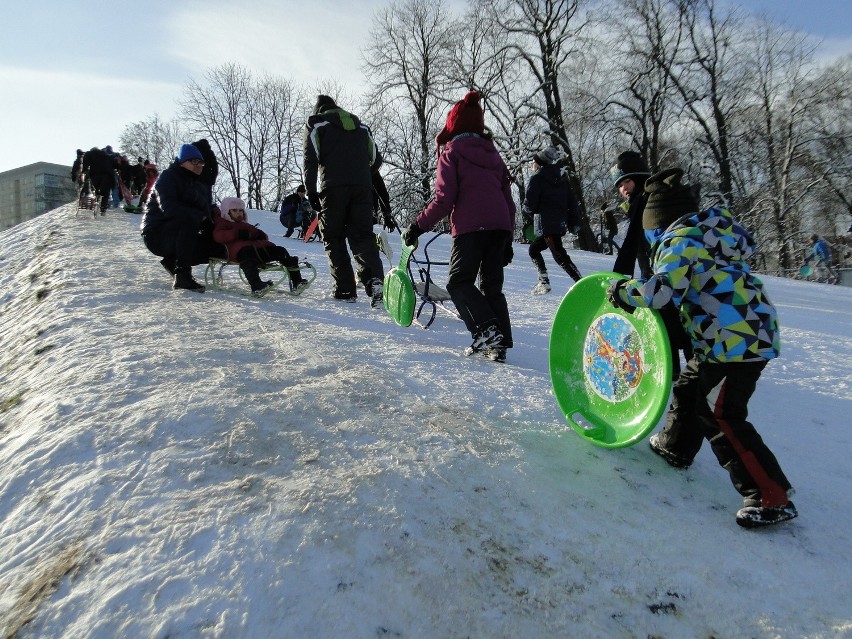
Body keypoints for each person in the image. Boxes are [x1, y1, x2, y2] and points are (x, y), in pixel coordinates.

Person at [607, 168, 797, 529]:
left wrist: (623, 291)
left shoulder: (679, 241)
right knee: (691, 383)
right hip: (736, 334)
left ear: (656, 223)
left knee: (721, 413)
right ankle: (676, 446)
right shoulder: (709, 236)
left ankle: (770, 494)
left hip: (735, 341)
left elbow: (660, 292)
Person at [402, 90, 515, 363]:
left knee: (458, 281)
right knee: (491, 286)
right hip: (499, 227)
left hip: (471, 227)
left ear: (453, 125)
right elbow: (508, 200)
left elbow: (444, 199)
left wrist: (417, 225)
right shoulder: (494, 156)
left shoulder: (452, 152)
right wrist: (508, 239)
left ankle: (487, 331)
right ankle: (498, 342)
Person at [610, 149, 692, 379]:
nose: (622, 189)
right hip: (661, 265)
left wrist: (619, 277)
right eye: (619, 185)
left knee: (667, 312)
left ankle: (672, 370)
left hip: (660, 265)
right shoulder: (644, 199)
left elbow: (631, 242)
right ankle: (686, 365)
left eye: (625, 181)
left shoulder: (645, 200)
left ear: (637, 178)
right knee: (677, 312)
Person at [303, 94, 386, 306]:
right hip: (362, 189)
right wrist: (361, 174)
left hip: (332, 188)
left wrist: (311, 192)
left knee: (333, 236)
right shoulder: (361, 128)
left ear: (320, 110)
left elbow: (310, 161)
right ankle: (374, 279)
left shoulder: (316, 125)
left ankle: (345, 289)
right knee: (362, 236)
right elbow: (376, 159)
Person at [140, 143, 226, 292]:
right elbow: (168, 207)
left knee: (215, 245)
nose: (198, 165)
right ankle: (182, 276)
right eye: (194, 162)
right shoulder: (168, 177)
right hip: (156, 233)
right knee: (189, 219)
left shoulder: (196, 184)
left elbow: (205, 211)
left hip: (177, 232)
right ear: (182, 162)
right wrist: (199, 216)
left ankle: (172, 261)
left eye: (201, 162)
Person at [213, 196, 308, 297]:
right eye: (234, 210)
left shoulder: (245, 224)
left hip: (258, 249)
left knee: (281, 251)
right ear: (226, 211)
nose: (238, 213)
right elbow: (218, 236)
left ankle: (297, 281)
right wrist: (237, 234)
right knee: (248, 256)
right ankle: (256, 285)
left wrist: (259, 234)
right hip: (239, 252)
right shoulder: (222, 223)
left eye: (241, 210)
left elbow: (261, 235)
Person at [523, 145, 582, 294]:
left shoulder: (537, 179)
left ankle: (581, 283)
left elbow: (530, 204)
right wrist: (573, 222)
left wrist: (528, 209)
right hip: (558, 224)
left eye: (534, 162)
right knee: (535, 249)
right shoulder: (562, 180)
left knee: (559, 256)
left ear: (540, 163)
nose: (532, 165)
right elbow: (572, 203)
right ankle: (544, 282)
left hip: (546, 224)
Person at [82, 146, 116, 214]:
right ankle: (103, 209)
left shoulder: (90, 153)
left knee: (95, 189)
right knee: (106, 193)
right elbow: (114, 165)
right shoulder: (106, 155)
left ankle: (96, 197)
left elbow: (85, 163)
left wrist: (84, 171)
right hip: (107, 176)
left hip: (95, 175)